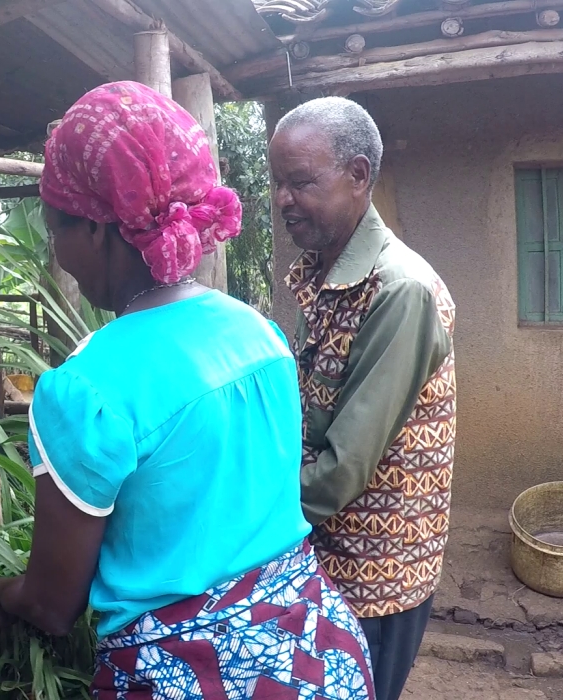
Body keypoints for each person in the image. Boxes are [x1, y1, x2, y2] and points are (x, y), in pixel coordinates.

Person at [0, 81, 374, 700]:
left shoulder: (84, 392)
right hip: (320, 656)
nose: (57, 250)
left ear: (98, 231)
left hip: (191, 678)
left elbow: (52, 606)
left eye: (56, 229)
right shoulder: (258, 335)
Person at [269, 96, 456, 700]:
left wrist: (234, 502)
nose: (281, 200)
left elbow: (339, 470)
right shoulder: (324, 273)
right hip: (329, 559)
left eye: (300, 182)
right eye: (277, 183)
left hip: (376, 576)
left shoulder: (400, 291)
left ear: (357, 176)